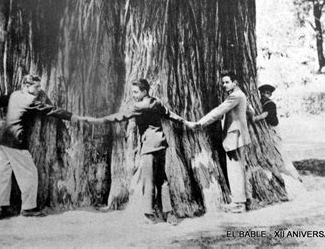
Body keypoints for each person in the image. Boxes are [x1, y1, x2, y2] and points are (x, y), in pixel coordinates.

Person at [77, 79, 196, 225]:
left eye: (135, 92)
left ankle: (149, 213)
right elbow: (169, 114)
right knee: (163, 181)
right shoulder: (156, 102)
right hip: (161, 144)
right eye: (132, 92)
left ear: (145, 91)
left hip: (149, 147)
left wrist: (99, 120)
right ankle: (168, 213)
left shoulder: (140, 106)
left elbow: (120, 116)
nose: (133, 95)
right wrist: (185, 122)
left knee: (149, 180)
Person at [0, 74, 73, 219]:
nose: (39, 89)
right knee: (30, 173)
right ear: (26, 86)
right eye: (36, 86)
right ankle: (28, 208)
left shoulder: (14, 95)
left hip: (2, 141)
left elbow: (0, 100)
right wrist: (72, 117)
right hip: (15, 141)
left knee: (4, 175)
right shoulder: (31, 100)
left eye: (40, 86)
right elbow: (50, 110)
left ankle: (1, 207)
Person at [192, 71, 252, 213]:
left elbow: (219, 111)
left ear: (234, 82)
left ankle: (239, 203)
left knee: (235, 170)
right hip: (240, 135)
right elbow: (251, 111)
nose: (224, 85)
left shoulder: (234, 96)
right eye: (223, 82)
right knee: (238, 168)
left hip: (234, 137)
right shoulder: (242, 95)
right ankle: (243, 200)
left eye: (226, 82)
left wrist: (200, 123)